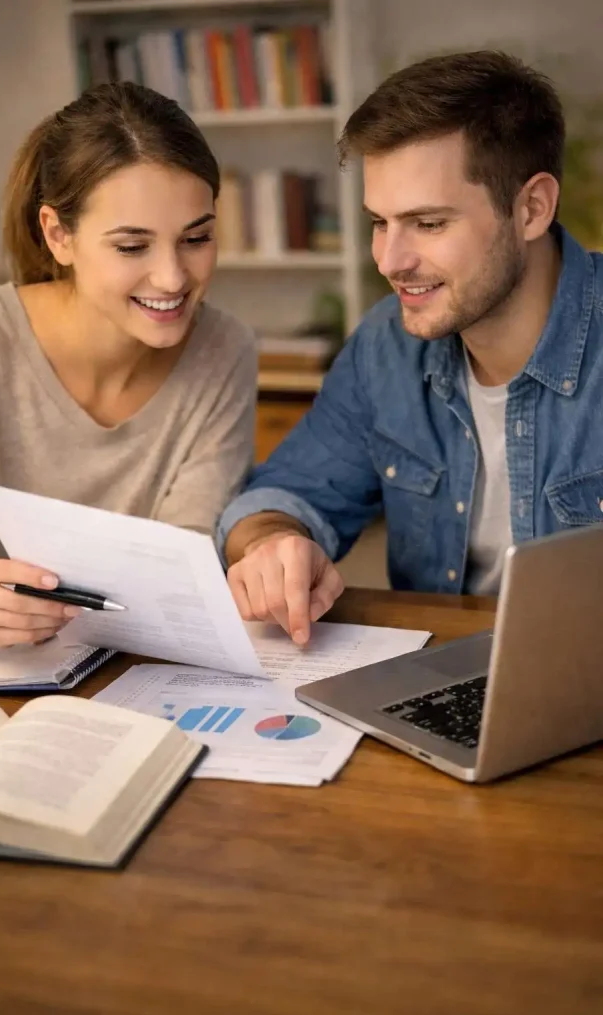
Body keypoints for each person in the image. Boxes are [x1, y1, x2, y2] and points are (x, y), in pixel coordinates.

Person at [219, 50, 603, 645]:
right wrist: (273, 541)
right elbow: (285, 493)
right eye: (380, 222)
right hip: (439, 679)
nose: (390, 261)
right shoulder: (386, 345)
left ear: (531, 208)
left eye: (428, 224)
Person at [0, 82, 257, 646]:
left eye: (196, 238)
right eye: (132, 247)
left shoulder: (225, 351)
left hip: (141, 676)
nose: (173, 278)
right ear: (58, 235)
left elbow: (184, 563)